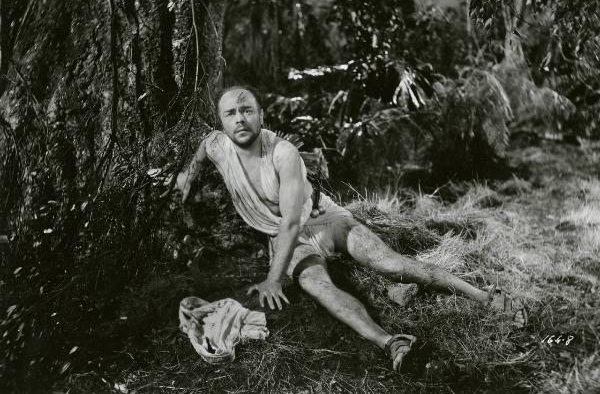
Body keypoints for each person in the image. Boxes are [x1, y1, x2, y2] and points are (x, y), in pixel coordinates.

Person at [172, 86, 527, 371]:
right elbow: (202, 150)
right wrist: (187, 176)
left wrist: (274, 278)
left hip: (325, 220)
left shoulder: (283, 153)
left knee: (390, 264)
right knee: (318, 287)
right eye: (230, 113)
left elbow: (293, 220)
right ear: (221, 122)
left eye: (247, 110)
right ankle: (392, 343)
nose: (240, 119)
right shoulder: (217, 145)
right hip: (287, 241)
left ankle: (483, 296)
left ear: (260, 114)